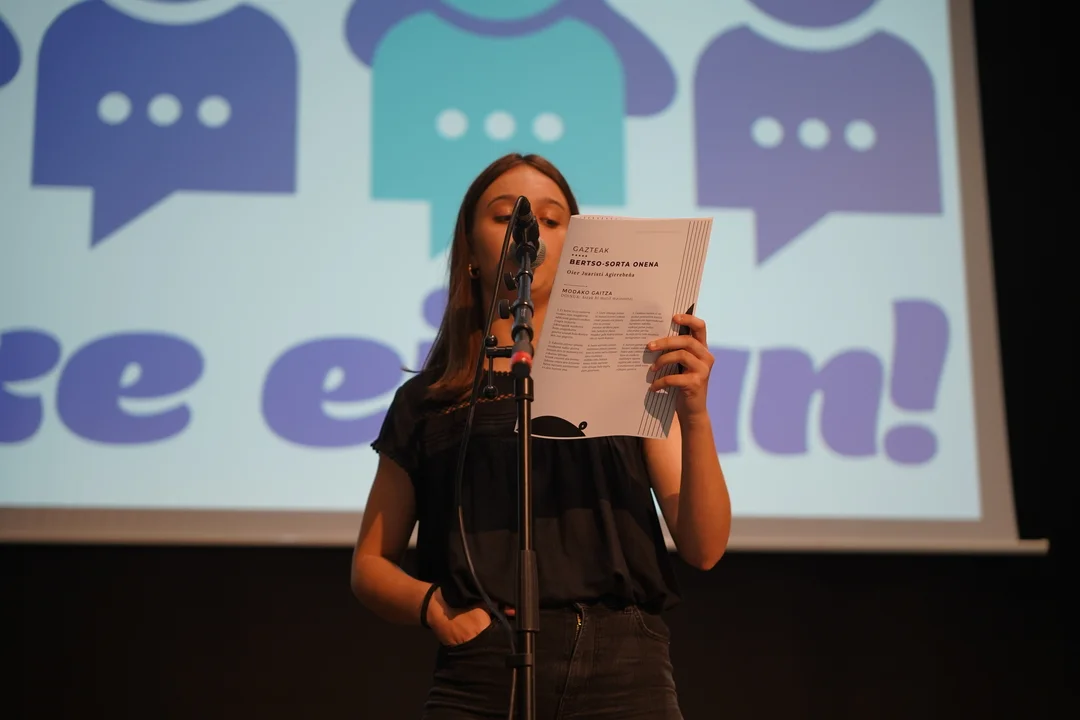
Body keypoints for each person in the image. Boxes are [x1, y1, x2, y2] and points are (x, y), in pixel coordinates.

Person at [350, 153, 731, 719]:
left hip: (624, 673)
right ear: (470, 249)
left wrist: (694, 413)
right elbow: (370, 564)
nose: (530, 231)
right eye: (507, 216)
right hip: (482, 671)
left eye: (552, 221)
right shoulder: (428, 400)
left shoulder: (633, 373)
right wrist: (435, 608)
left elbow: (704, 545)